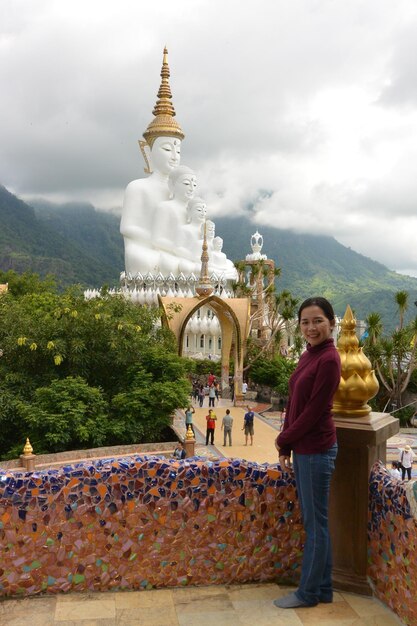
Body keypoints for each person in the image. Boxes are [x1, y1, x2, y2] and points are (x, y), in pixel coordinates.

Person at [274, 296, 341, 609]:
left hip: (316, 449)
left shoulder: (329, 358)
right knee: (317, 524)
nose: (311, 327)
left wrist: (283, 439)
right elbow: (294, 404)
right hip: (303, 448)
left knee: (316, 526)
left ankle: (308, 593)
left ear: (331, 323)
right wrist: (286, 443)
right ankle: (323, 588)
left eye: (318, 321)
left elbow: (314, 411)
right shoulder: (309, 354)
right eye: (305, 322)